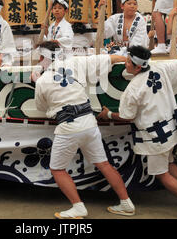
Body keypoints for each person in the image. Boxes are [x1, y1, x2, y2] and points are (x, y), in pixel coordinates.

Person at [98, 45, 177, 218]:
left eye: (128, 62)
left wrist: (108, 114)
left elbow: (127, 116)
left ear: (138, 66)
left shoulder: (133, 89)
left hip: (156, 136)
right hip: (170, 129)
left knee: (162, 174)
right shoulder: (160, 67)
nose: (125, 64)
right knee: (170, 164)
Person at [34, 41, 135, 219]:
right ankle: (126, 202)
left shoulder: (42, 80)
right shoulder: (77, 63)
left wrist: (37, 82)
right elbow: (109, 58)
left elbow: (41, 107)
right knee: (104, 164)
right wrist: (128, 59)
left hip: (68, 127)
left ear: (43, 58)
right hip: (89, 122)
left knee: (57, 169)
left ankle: (78, 207)